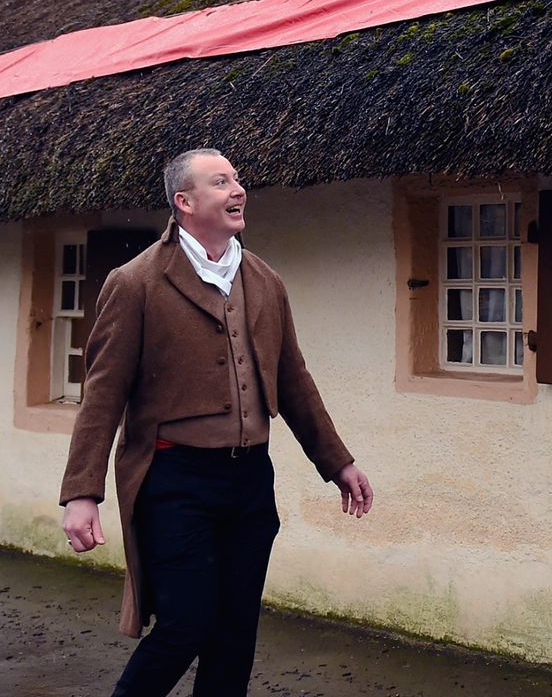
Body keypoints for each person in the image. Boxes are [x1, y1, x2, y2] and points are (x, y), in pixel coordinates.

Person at [59, 147, 372, 697]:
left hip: (249, 480)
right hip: (174, 480)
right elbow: (103, 394)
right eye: (221, 181)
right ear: (184, 202)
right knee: (186, 624)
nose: (238, 189)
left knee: (234, 633)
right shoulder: (135, 282)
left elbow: (294, 381)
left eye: (237, 180)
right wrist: (82, 492)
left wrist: (338, 463)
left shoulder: (265, 280)